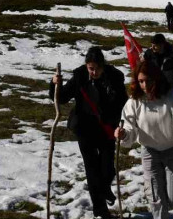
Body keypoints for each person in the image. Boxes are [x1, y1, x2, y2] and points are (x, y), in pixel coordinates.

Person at [50, 47, 128, 219]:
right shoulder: (79, 76)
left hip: (107, 128)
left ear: (103, 66)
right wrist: (55, 83)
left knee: (107, 168)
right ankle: (101, 211)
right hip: (85, 128)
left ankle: (104, 188)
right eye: (90, 68)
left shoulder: (114, 77)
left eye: (96, 68)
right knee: (92, 169)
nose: (93, 72)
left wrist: (121, 123)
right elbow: (61, 97)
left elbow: (123, 102)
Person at [116, 60, 173, 219]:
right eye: (141, 81)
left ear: (157, 79)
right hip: (149, 151)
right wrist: (124, 134)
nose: (145, 85)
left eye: (148, 80)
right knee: (155, 196)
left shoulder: (171, 96)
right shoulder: (135, 101)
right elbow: (130, 127)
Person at [143, 34, 173, 101]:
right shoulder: (149, 54)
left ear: (162, 45)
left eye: (155, 45)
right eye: (152, 45)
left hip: (169, 89)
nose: (152, 47)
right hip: (152, 89)